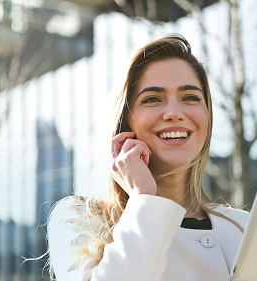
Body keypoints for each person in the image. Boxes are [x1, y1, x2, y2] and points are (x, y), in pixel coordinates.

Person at [47, 34, 250, 281]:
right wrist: (143, 197)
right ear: (124, 122)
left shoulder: (244, 228)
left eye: (191, 97)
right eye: (152, 99)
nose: (175, 113)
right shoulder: (80, 220)